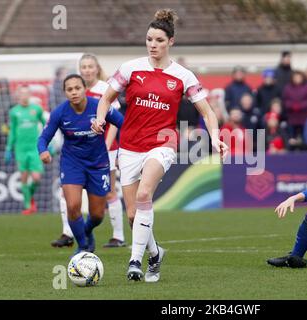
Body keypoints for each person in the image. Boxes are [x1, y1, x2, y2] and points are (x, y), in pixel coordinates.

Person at [91, 9, 228, 282]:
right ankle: (155, 254)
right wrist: (99, 119)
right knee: (133, 216)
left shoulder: (183, 76)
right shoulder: (130, 68)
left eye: (159, 40)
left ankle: (134, 262)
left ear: (171, 42)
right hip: (129, 146)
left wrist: (214, 137)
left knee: (144, 196)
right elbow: (106, 99)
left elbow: (208, 112)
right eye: (149, 39)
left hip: (163, 144)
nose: (153, 45)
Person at [38, 74, 124, 255]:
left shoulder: (100, 106)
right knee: (73, 205)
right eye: (69, 89)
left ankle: (85, 231)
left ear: (85, 89)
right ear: (65, 93)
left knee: (98, 215)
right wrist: (43, 151)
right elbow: (44, 138)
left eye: (77, 88)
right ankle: (84, 245)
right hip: (72, 163)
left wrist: (124, 150)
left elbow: (123, 124)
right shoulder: (59, 113)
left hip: (98, 164)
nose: (74, 92)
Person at [5, 86, 46, 215]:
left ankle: (30, 195)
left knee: (36, 178)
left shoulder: (37, 109)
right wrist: (8, 148)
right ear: (18, 96)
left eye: (26, 93)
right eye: (21, 94)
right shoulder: (14, 112)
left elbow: (46, 125)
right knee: (23, 176)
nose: (24, 96)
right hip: (20, 149)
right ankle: (28, 205)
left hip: (34, 148)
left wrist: (48, 142)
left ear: (29, 95)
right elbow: (12, 131)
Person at [282, 71, 307, 144]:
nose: (297, 79)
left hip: (304, 117)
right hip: (292, 117)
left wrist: (300, 106)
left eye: (299, 77)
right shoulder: (288, 88)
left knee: (304, 138)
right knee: (292, 138)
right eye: (295, 77)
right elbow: (285, 100)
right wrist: (292, 106)